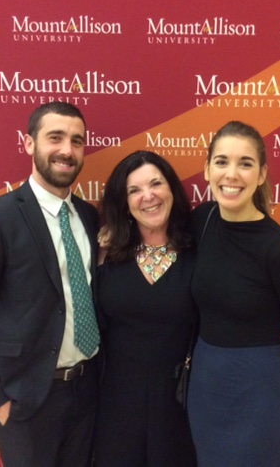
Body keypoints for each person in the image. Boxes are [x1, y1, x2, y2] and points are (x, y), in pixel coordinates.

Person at [0, 102, 101, 467]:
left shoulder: (89, 216)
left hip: (89, 391)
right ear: (28, 143)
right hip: (28, 402)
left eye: (77, 141)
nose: (67, 149)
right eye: (55, 138)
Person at [187, 121, 280, 467]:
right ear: (206, 169)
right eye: (221, 161)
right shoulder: (201, 220)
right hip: (205, 388)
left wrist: (259, 363)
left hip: (259, 396)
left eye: (245, 163)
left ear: (261, 175)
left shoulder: (278, 249)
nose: (231, 174)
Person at [93, 151, 198, 467]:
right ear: (123, 203)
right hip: (116, 408)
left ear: (171, 190)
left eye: (156, 184)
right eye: (134, 190)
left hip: (181, 406)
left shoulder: (199, 250)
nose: (147, 196)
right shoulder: (104, 254)